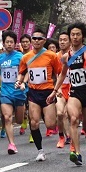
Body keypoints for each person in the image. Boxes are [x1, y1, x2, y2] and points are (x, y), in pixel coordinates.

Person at [47, 22, 86, 166]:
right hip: (75, 92)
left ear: (83, 36)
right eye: (72, 34)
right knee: (73, 119)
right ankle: (76, 152)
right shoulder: (67, 57)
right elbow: (62, 75)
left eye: (78, 34)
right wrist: (54, 91)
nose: (75, 37)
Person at [16, 28, 62, 161]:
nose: (36, 41)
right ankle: (40, 150)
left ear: (44, 41)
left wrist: (56, 89)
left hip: (48, 92)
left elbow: (58, 74)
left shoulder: (51, 56)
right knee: (34, 123)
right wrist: (19, 81)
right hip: (33, 92)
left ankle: (56, 122)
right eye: (34, 38)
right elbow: (22, 72)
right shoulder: (26, 57)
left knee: (50, 124)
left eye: (39, 39)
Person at [0, 30, 27, 154]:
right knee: (7, 118)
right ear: (3, 43)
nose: (9, 44)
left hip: (19, 92)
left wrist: (23, 82)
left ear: (15, 43)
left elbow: (26, 71)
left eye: (11, 42)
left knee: (18, 120)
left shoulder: (20, 57)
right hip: (5, 92)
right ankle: (11, 144)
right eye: (7, 42)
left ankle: (23, 120)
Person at [55, 32, 71, 148]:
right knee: (61, 113)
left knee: (71, 114)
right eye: (60, 40)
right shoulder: (55, 57)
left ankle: (70, 135)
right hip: (60, 88)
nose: (62, 42)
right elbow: (55, 74)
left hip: (73, 88)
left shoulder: (75, 55)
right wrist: (58, 88)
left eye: (65, 40)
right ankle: (62, 136)